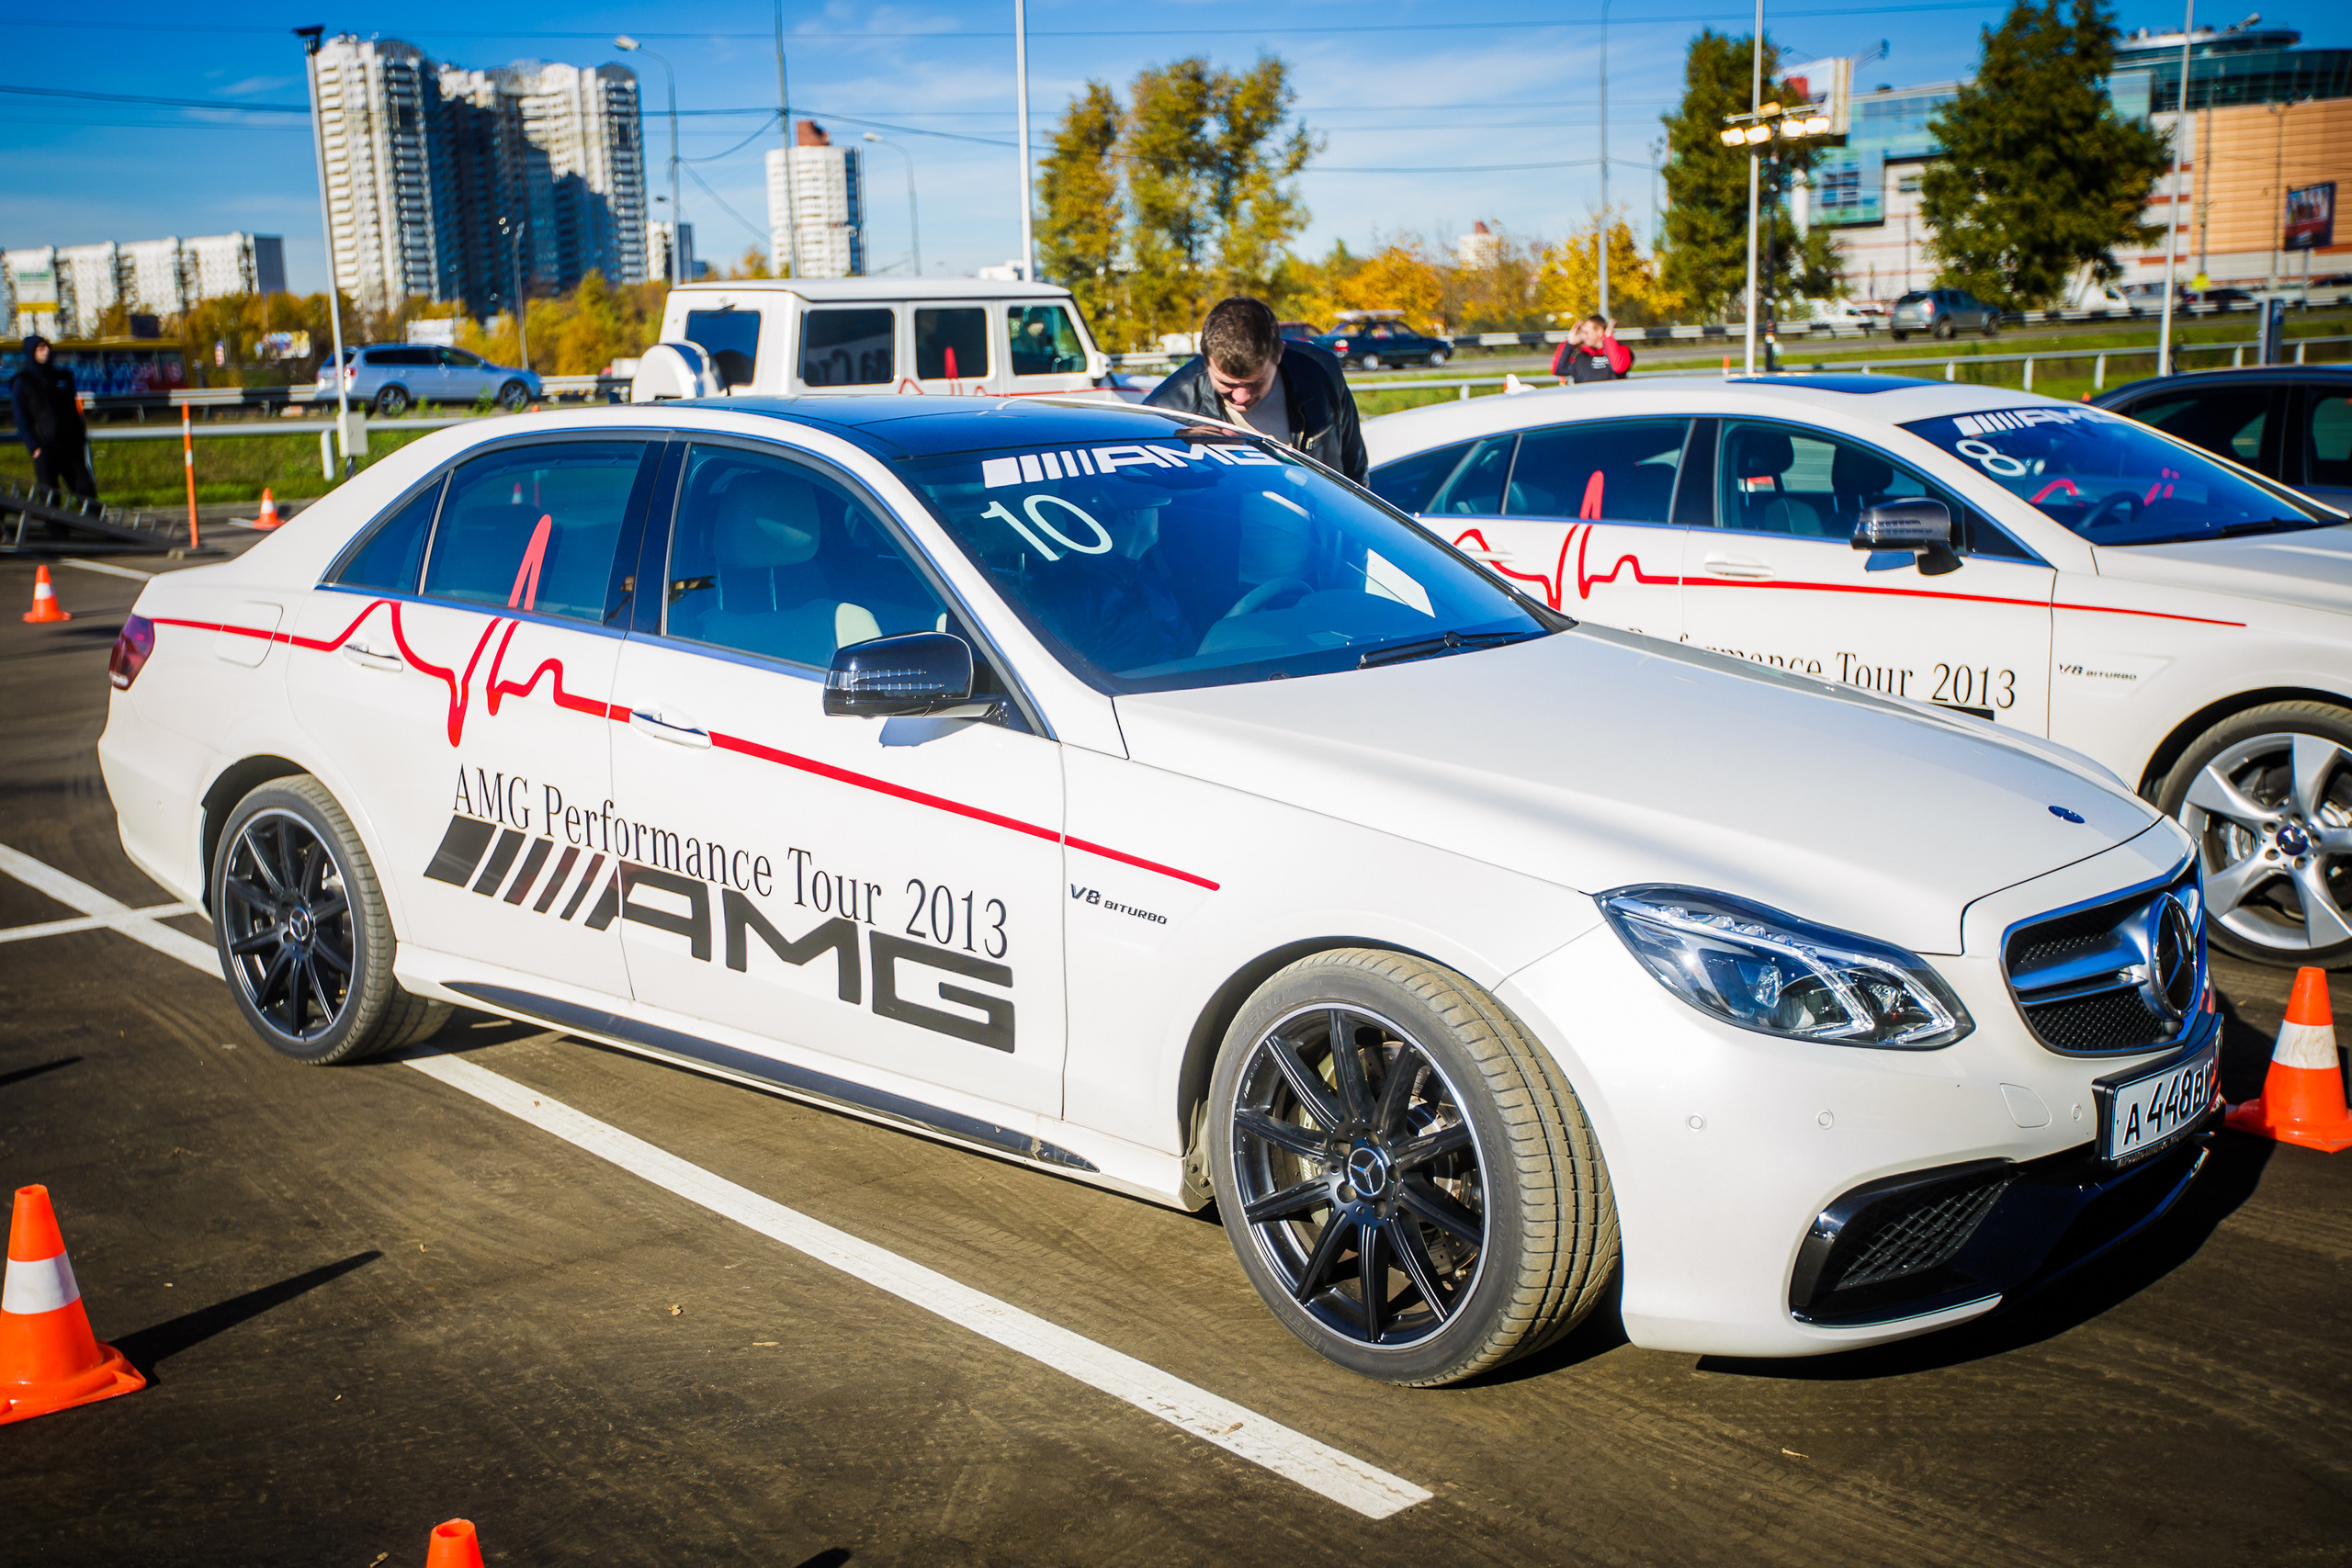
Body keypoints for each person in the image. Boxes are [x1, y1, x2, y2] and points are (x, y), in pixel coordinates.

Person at [1145, 297, 1367, 483]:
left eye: (1255, 383)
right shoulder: (1166, 412)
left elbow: (1354, 473)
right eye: (1227, 384)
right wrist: (1181, 444)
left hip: (1324, 532)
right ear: (1206, 357)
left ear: (1279, 353)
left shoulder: (1321, 373)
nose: (1241, 397)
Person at [9, 335, 97, 502]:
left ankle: (96, 525)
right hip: (44, 445)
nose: (46, 351)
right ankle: (54, 527)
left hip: (70, 444)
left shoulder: (63, 377)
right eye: (41, 348)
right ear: (31, 352)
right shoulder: (23, 381)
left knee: (84, 488)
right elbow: (21, 416)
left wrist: (80, 436)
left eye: (47, 347)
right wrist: (34, 446)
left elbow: (73, 410)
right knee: (50, 494)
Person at [1551, 314, 1633, 385]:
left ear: (1600, 331)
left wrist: (1608, 338)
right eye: (1581, 333)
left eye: (1586, 333)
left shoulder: (1621, 350)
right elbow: (1558, 370)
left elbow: (1618, 368)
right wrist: (1569, 343)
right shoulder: (1581, 356)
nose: (1583, 336)